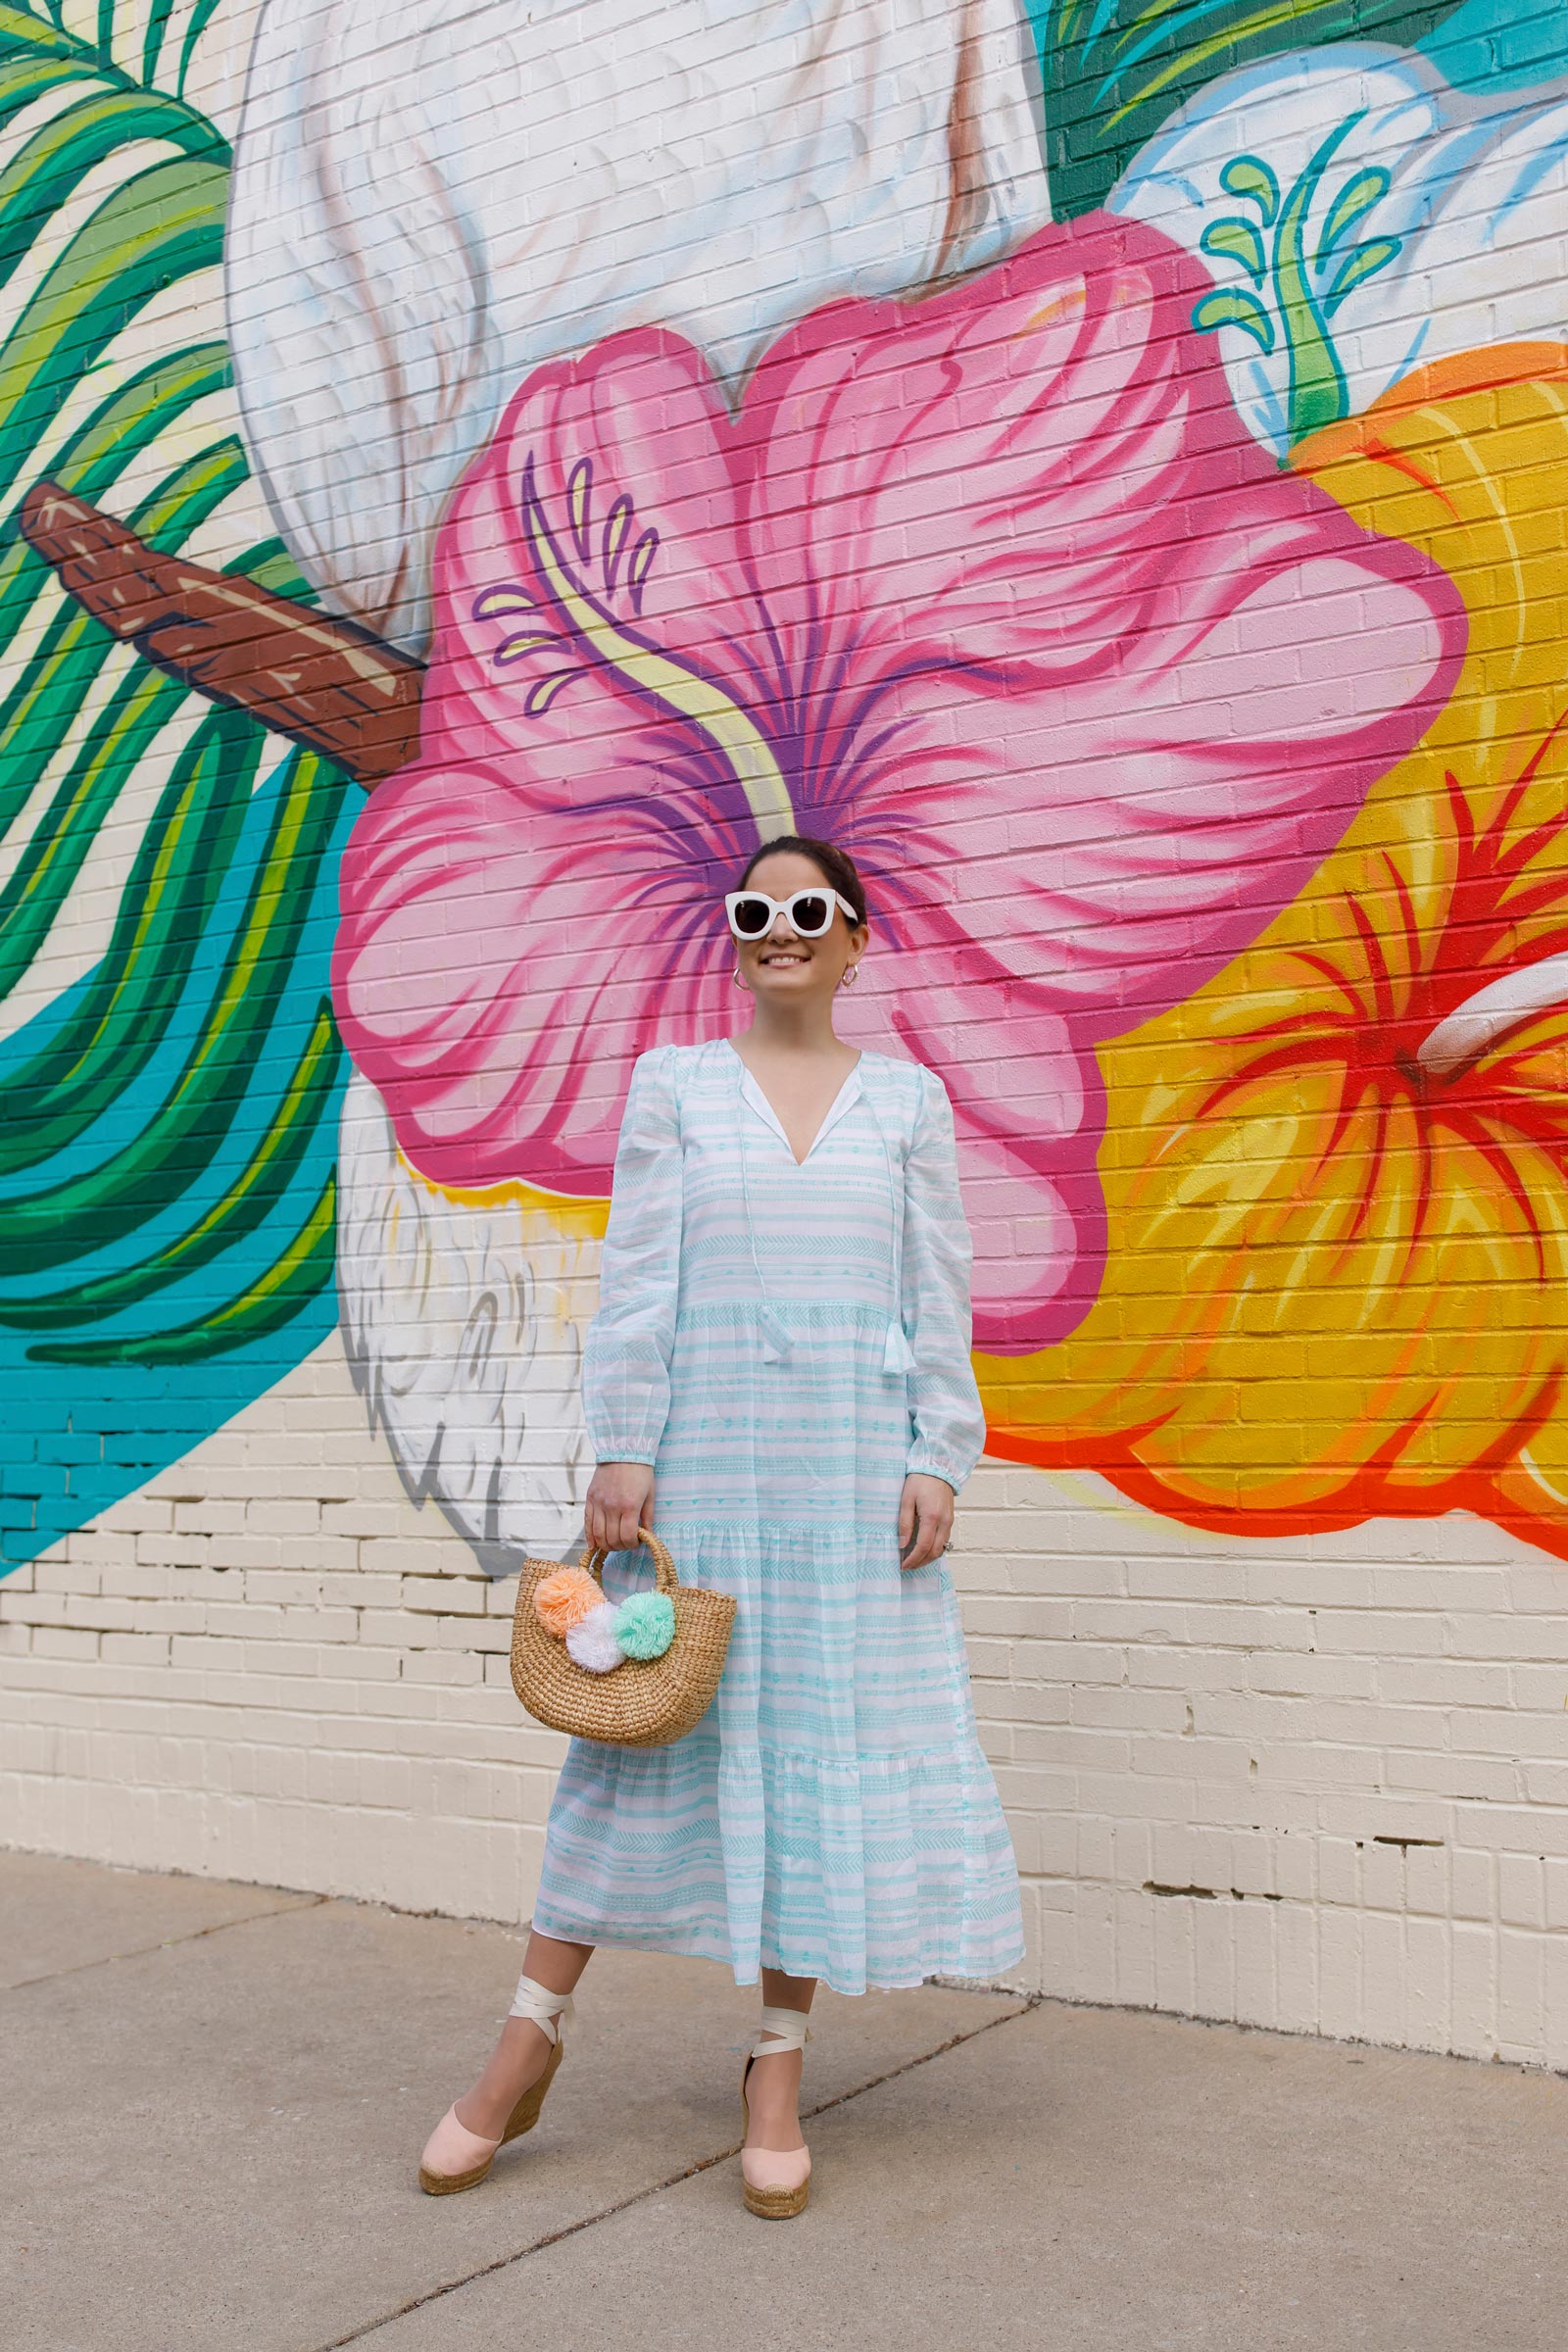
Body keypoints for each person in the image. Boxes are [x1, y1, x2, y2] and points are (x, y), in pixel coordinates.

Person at [417, 836, 1024, 2217]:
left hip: (851, 1475)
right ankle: (525, 2044)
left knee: (808, 1740)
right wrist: (625, 1441)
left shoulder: (910, 1103)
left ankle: (776, 2066)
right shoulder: (676, 1084)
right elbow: (637, 1274)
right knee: (635, 1745)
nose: (778, 929)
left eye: (807, 910)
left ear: (857, 938)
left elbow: (941, 1287)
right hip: (707, 1458)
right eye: (754, 911)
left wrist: (941, 1454)